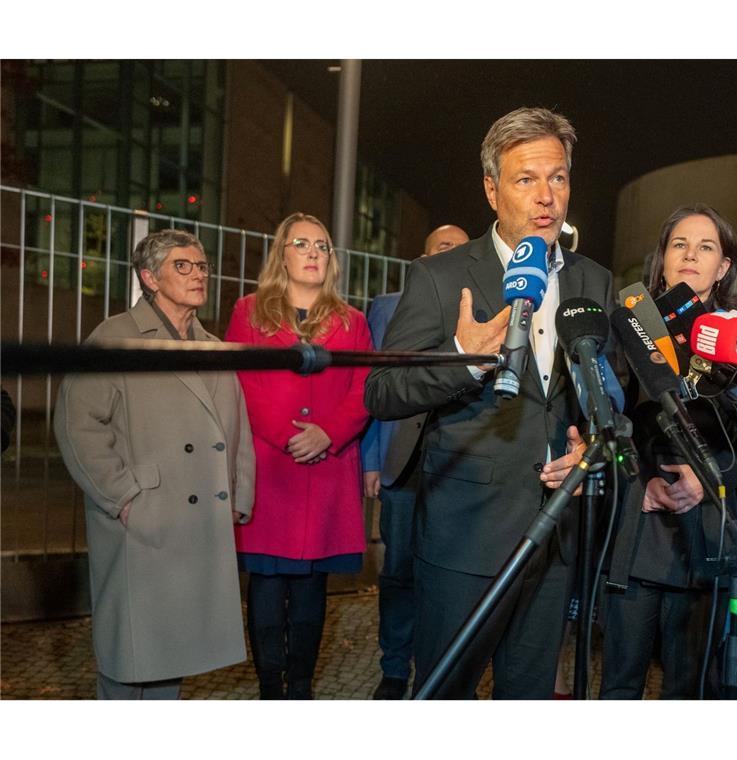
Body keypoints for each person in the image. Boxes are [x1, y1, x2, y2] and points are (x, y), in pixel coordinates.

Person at [364, 107, 614, 699]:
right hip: (463, 539)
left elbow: (598, 394)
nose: (546, 196)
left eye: (558, 177)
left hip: (553, 536)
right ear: (491, 189)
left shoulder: (592, 282)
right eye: (526, 179)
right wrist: (463, 356)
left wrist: (587, 446)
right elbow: (383, 392)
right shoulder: (440, 277)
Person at [54, 229, 253, 699]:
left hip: (197, 522)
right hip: (144, 520)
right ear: (150, 277)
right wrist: (123, 497)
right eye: (182, 265)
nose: (198, 274)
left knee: (174, 652)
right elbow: (78, 424)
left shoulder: (214, 345)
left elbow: (236, 428)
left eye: (201, 265)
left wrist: (236, 498)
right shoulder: (116, 335)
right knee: (131, 655)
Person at [601, 204, 737, 699]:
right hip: (639, 525)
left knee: (690, 690)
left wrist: (711, 477)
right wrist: (638, 482)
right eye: (679, 244)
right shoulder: (629, 327)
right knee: (620, 685)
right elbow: (606, 418)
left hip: (707, 528)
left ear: (723, 269)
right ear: (663, 259)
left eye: (705, 246)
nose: (690, 255)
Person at [225, 212, 372, 699]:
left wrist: (328, 433)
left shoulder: (354, 321)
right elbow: (240, 383)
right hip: (271, 472)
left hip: (328, 469)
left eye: (322, 246)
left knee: (311, 589)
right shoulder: (249, 311)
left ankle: (302, 689)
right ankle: (271, 688)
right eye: (301, 243)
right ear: (282, 254)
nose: (312, 252)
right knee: (266, 585)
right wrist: (288, 436)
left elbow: (363, 389)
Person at [362, 223, 469, 700]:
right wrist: (371, 459)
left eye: (460, 251)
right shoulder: (385, 308)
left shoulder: (485, 305)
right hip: (402, 462)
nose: (452, 257)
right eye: (442, 248)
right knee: (397, 571)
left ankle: (439, 669)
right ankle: (393, 668)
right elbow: (372, 387)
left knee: (447, 575)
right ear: (422, 259)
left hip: (458, 465)